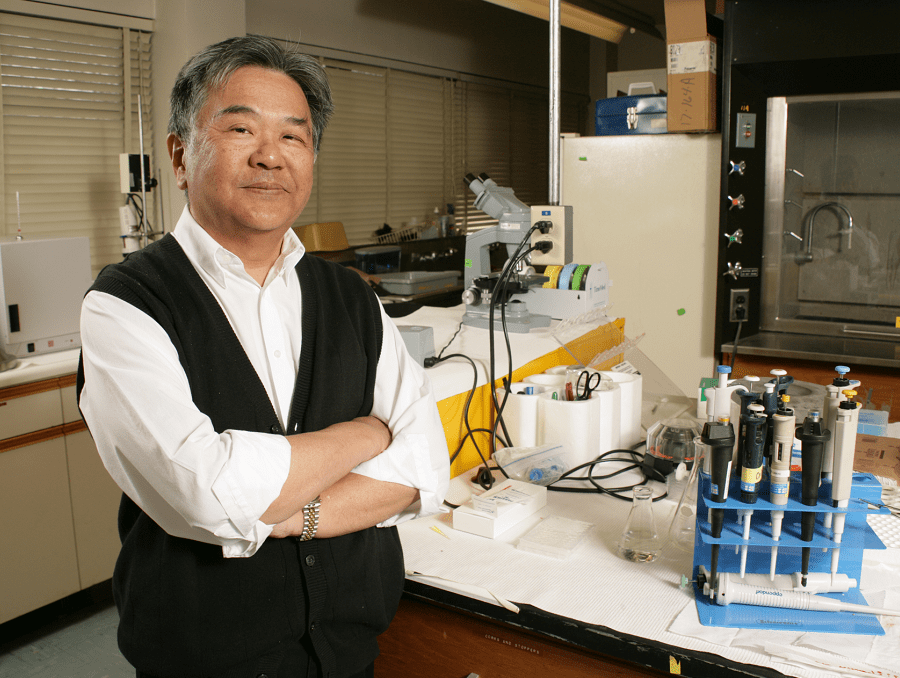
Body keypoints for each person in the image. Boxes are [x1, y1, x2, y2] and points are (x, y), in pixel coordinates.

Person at [77, 36, 450, 678]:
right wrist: (365, 433)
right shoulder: (126, 304)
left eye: (294, 137)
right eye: (241, 128)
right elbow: (206, 491)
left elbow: (425, 464)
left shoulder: (348, 296)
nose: (270, 157)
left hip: (347, 653)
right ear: (180, 155)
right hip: (202, 661)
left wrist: (286, 516)